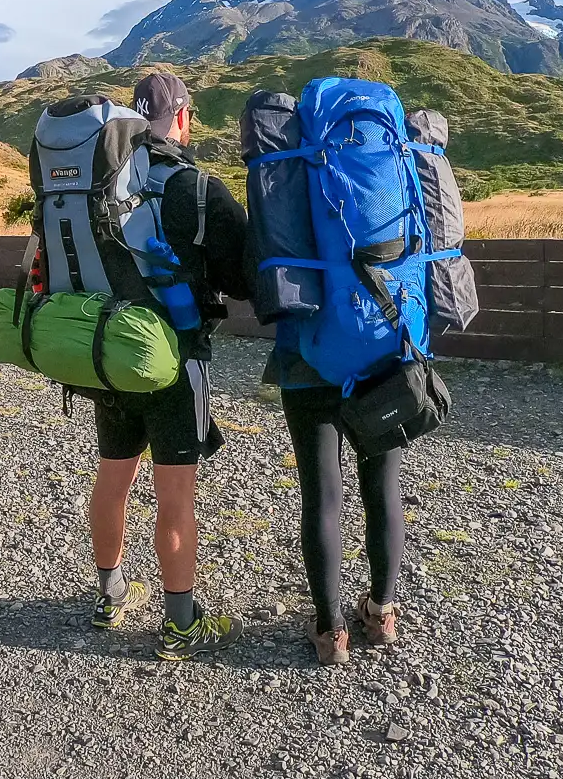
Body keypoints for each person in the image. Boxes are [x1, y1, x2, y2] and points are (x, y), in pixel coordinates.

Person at [86, 72, 255, 661]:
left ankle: (109, 595)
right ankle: (181, 621)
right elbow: (242, 278)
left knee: (114, 474)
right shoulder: (196, 187)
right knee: (174, 491)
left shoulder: (97, 184)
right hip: (177, 359)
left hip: (108, 352)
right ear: (181, 116)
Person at [264, 344, 405, 665]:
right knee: (384, 489)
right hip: (382, 360)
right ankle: (381, 612)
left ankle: (331, 630)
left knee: (321, 497)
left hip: (305, 361)